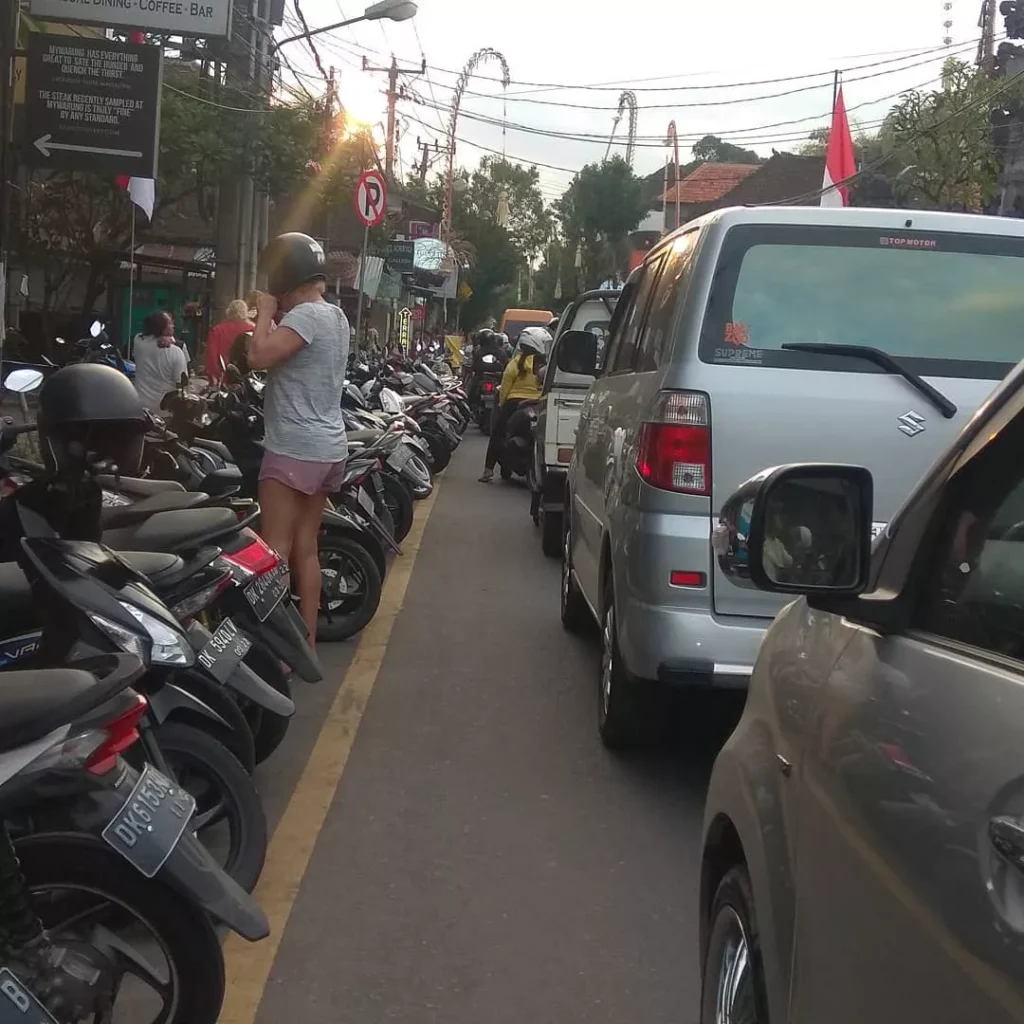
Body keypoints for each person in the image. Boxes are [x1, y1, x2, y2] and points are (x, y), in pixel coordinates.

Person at [249, 232, 349, 644]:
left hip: (293, 447)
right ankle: (305, 641)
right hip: (328, 447)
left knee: (274, 550)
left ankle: (274, 647)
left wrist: (263, 312)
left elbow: (256, 358)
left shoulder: (304, 316)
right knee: (305, 547)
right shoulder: (337, 316)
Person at [478, 326, 550, 483]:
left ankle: (488, 470)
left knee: (497, 433)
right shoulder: (546, 365)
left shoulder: (516, 363)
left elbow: (504, 388)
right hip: (539, 403)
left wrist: (502, 405)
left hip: (515, 402)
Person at [132, 310, 189, 414]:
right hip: (164, 412)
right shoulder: (176, 352)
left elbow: (143, 335)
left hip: (141, 408)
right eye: (170, 323)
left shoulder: (138, 342)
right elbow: (182, 386)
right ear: (162, 328)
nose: (173, 326)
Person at [205, 299, 255, 384]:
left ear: (228, 312)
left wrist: (216, 376)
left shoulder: (217, 330)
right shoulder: (253, 329)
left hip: (224, 378)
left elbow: (212, 357)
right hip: (248, 380)